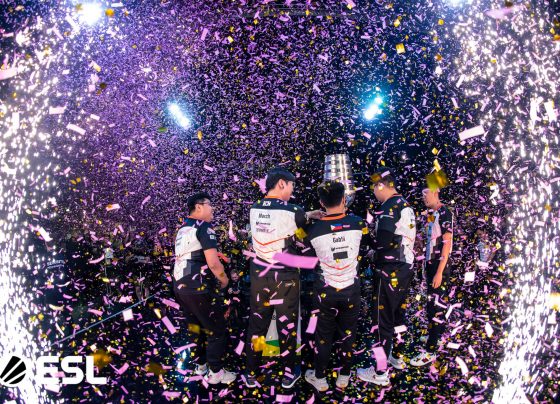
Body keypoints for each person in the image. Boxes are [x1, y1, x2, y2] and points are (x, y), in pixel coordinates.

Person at [245, 167, 323, 389]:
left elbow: (278, 223)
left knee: (257, 325)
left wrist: (306, 214)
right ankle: (289, 373)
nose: (292, 191)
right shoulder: (294, 210)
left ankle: (251, 371)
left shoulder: (254, 208)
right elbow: (302, 235)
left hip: (260, 275)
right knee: (286, 326)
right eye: (291, 186)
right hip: (284, 276)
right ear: (281, 183)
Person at [303, 181, 368, 392]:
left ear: (321, 203)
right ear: (343, 199)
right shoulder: (358, 223)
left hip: (325, 291)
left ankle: (320, 378)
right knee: (348, 333)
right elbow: (367, 248)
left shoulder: (312, 230)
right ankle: (344, 376)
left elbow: (303, 257)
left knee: (323, 334)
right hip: (351, 289)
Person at [357, 168, 417, 386]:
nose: (374, 192)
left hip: (389, 270)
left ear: (381, 186)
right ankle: (397, 357)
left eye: (374, 187)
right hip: (405, 268)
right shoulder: (405, 204)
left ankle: (380, 372)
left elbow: (383, 243)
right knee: (397, 316)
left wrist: (368, 240)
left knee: (381, 320)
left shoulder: (389, 207)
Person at [172, 192, 236, 384]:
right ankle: (216, 373)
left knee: (195, 327)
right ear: (198, 207)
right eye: (209, 204)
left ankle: (201, 365)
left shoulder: (183, 228)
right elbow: (213, 263)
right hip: (199, 287)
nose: (213, 208)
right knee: (216, 329)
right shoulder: (204, 226)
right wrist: (224, 280)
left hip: (180, 287)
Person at [410, 187, 454, 367]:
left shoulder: (444, 212)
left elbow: (447, 243)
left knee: (435, 307)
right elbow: (429, 238)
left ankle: (431, 350)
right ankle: (436, 336)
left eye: (425, 193)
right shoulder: (431, 213)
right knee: (433, 304)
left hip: (438, 265)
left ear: (435, 192)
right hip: (430, 264)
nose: (423, 197)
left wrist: (439, 271)